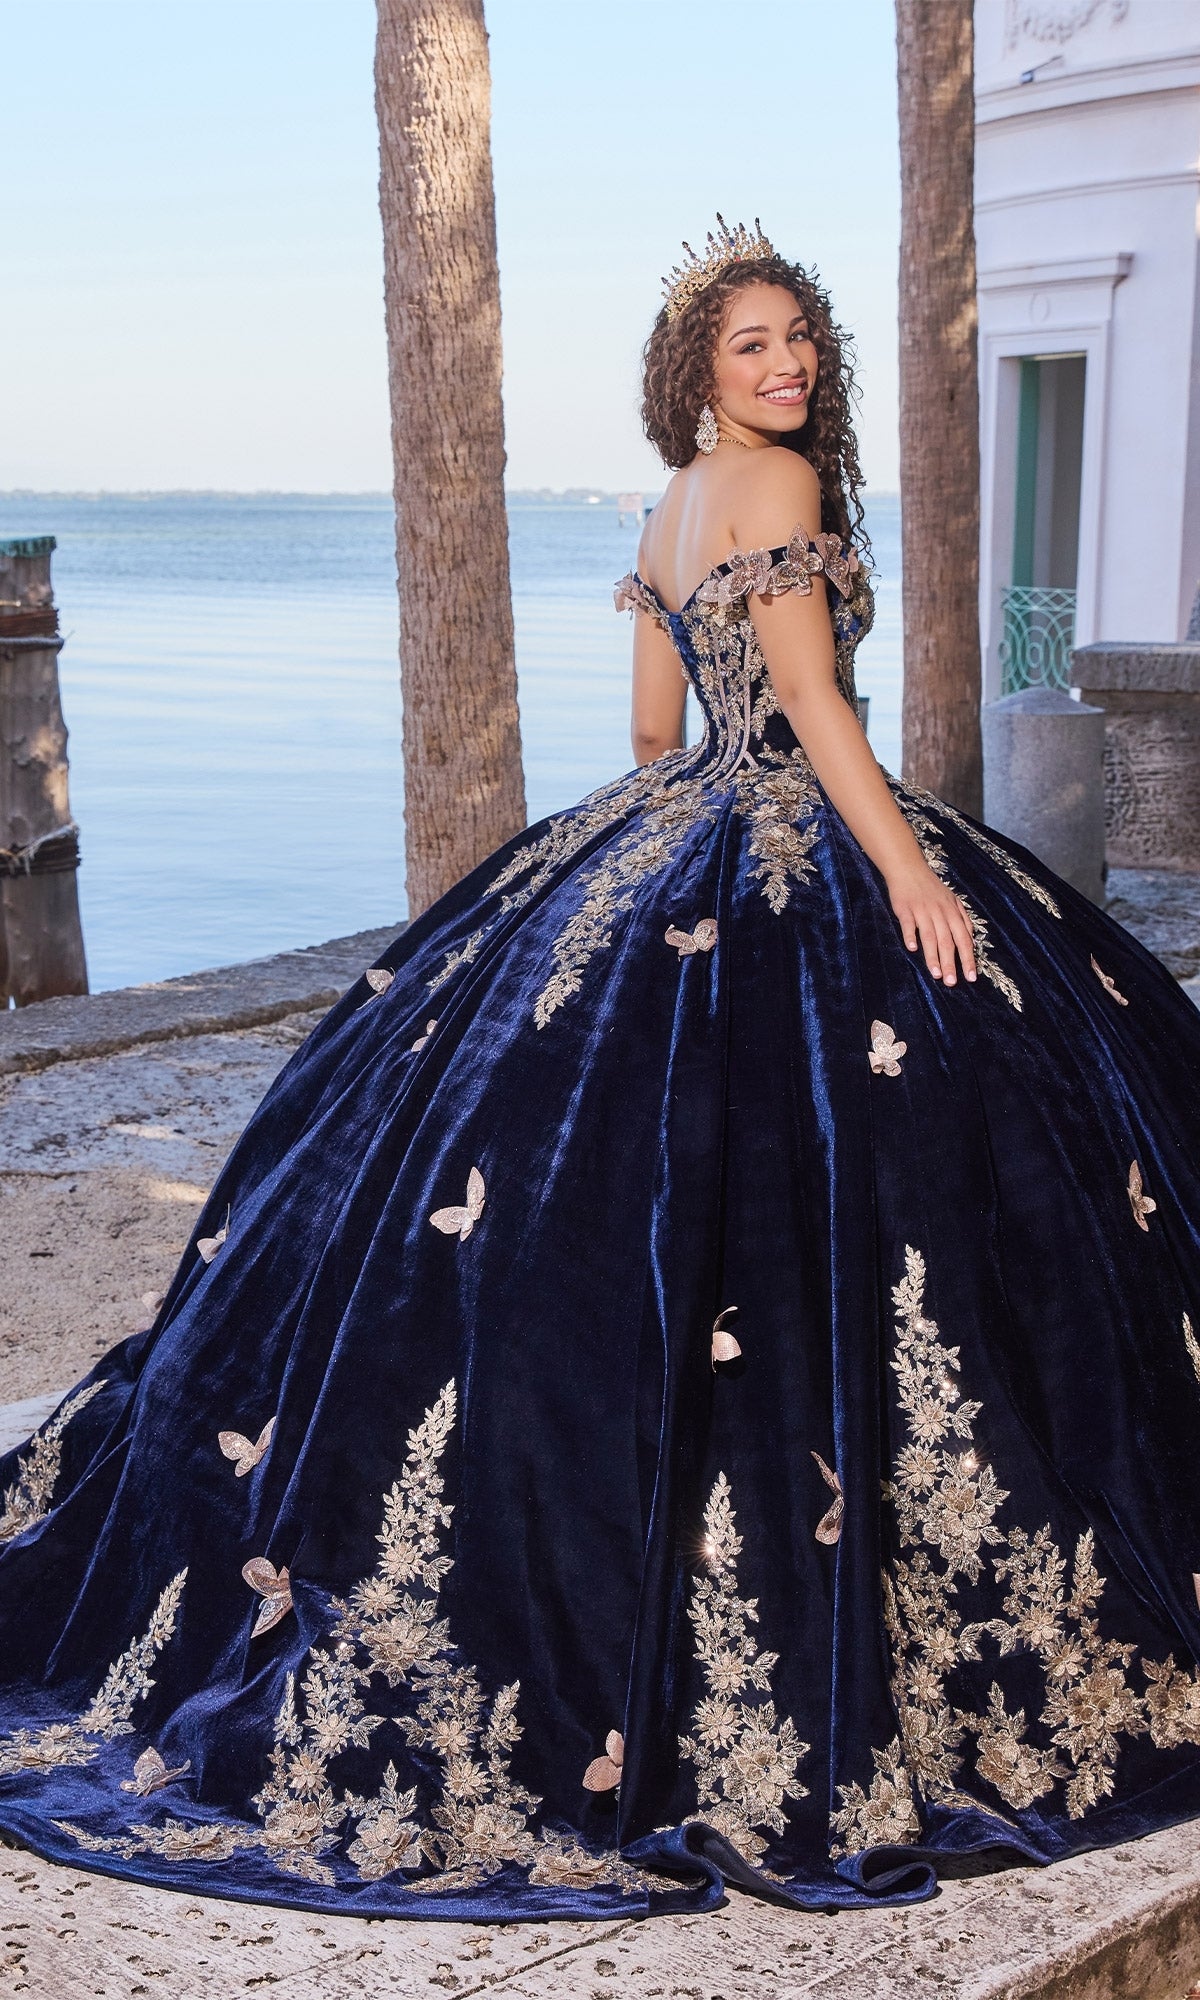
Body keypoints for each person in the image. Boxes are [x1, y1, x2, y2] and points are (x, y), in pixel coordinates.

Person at [2, 217, 1200, 1928]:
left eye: (797, 338)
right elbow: (816, 709)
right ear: (699, 373)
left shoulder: (672, 504)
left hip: (672, 830)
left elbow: (654, 736)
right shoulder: (780, 491)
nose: (785, 364)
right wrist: (915, 879)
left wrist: (664, 859)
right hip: (804, 835)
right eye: (750, 344)